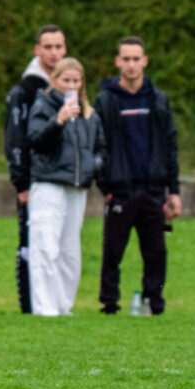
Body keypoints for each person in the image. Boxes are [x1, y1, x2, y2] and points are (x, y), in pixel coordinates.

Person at [93, 37, 181, 316]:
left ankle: (153, 301)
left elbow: (170, 144)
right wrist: (105, 187)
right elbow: (96, 145)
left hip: (153, 190)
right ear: (118, 62)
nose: (131, 65)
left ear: (145, 61)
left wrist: (173, 190)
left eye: (136, 59)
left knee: (157, 253)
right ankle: (109, 304)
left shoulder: (158, 99)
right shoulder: (106, 100)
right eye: (126, 59)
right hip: (120, 191)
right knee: (112, 252)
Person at [22, 57, 105, 317]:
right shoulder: (43, 105)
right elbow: (35, 141)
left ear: (82, 83)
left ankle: (63, 306)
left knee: (70, 252)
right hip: (49, 184)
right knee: (46, 246)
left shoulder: (89, 114)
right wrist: (57, 121)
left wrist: (92, 166)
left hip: (77, 187)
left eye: (76, 80)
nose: (71, 85)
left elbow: (101, 148)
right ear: (54, 80)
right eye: (65, 79)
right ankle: (45, 308)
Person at [4, 24, 66, 314]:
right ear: (37, 50)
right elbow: (14, 138)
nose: (53, 52)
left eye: (58, 47)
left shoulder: (69, 86)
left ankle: (56, 302)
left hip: (61, 178)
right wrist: (21, 182)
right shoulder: (24, 91)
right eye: (48, 47)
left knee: (59, 244)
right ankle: (29, 306)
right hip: (34, 181)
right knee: (30, 242)